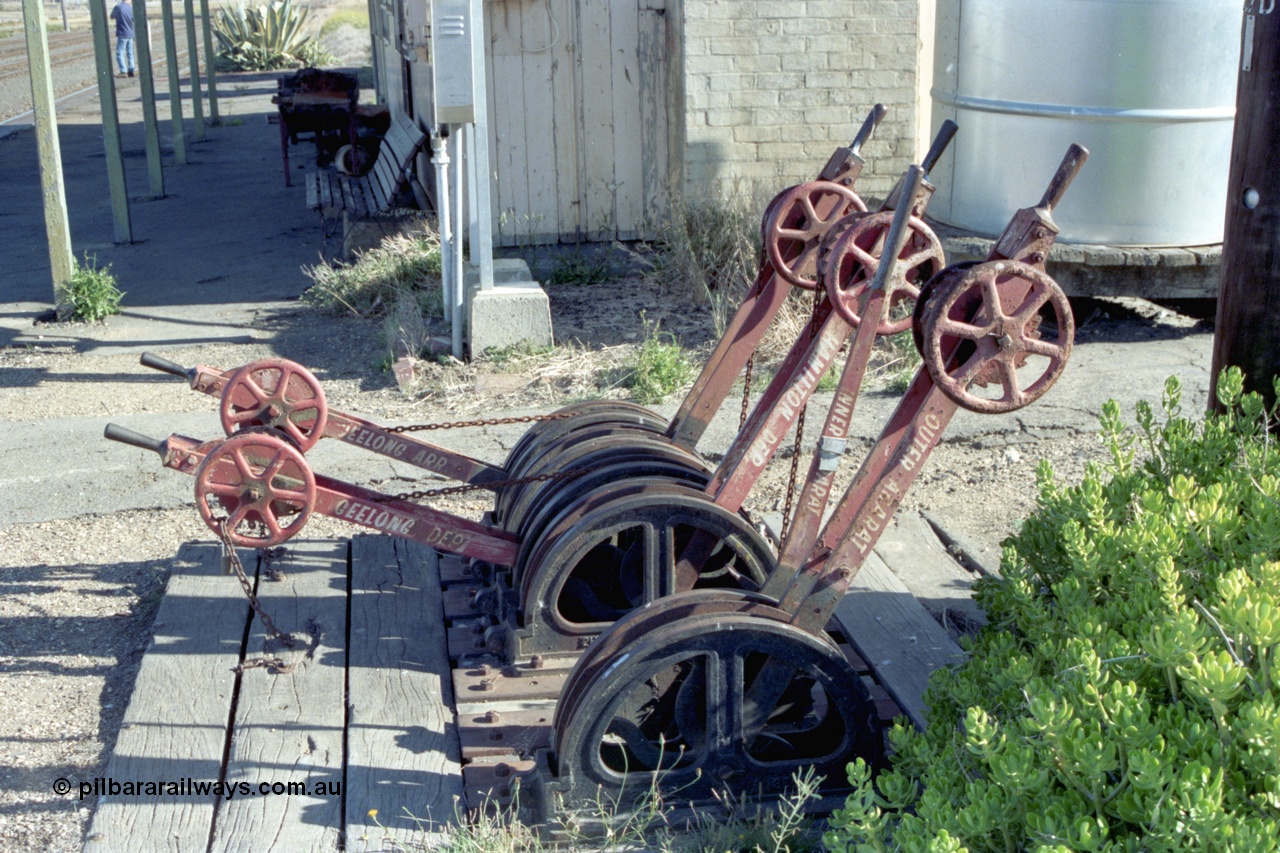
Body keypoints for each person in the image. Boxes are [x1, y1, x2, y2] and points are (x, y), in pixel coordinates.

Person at [109, 0, 136, 78]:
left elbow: (111, 16)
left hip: (122, 33)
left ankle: (123, 71)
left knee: (120, 52)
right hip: (131, 33)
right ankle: (131, 70)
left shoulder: (118, 7)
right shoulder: (131, 8)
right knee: (130, 52)